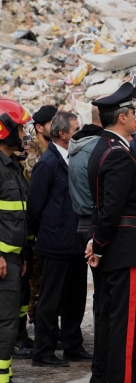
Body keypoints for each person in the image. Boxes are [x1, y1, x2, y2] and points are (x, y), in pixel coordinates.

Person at [85, 83, 136, 382]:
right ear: (123, 117)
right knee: (127, 325)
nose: (135, 118)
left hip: (118, 246)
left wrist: (97, 242)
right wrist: (99, 244)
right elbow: (111, 208)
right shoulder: (115, 152)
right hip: (124, 249)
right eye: (133, 113)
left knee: (110, 321)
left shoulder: (109, 147)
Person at [28, 111, 91, 367]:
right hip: (55, 244)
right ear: (63, 134)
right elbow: (35, 207)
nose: (79, 133)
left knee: (75, 300)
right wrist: (48, 232)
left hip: (75, 243)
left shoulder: (73, 159)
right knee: (50, 301)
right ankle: (43, 351)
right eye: (76, 130)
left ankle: (73, 346)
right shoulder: (48, 163)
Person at [17, 104, 56, 359]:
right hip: (28, 236)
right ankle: (27, 334)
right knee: (31, 288)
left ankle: (33, 331)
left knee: (35, 286)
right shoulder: (33, 158)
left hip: (35, 234)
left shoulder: (47, 153)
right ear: (40, 128)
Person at [0, 99, 32, 383]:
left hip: (12, 259)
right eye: (20, 129)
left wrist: (19, 257)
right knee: (5, 324)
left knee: (8, 324)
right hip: (1, 260)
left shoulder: (11, 166)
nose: (23, 135)